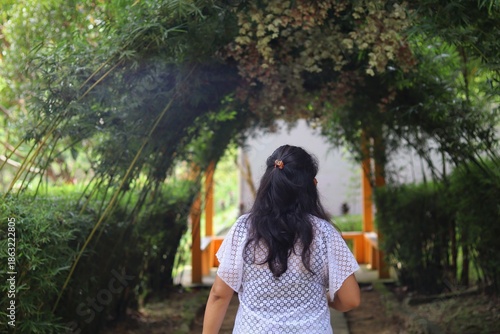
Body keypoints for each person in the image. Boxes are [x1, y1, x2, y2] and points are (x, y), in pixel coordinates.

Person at [203, 145, 360, 333]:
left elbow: (219, 295)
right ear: (312, 185)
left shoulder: (244, 229)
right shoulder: (325, 233)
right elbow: (351, 299)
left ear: (268, 183)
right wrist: (325, 300)